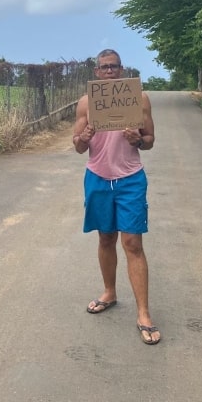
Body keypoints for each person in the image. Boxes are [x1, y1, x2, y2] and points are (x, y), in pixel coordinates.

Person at [72, 49, 160, 345]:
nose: (109, 72)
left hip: (130, 178)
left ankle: (144, 313)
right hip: (97, 178)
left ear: (121, 70)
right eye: (104, 67)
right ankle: (109, 292)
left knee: (133, 242)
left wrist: (139, 139)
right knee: (106, 238)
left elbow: (149, 141)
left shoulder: (139, 99)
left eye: (114, 67)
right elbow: (77, 146)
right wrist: (83, 138)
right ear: (97, 72)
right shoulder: (86, 102)